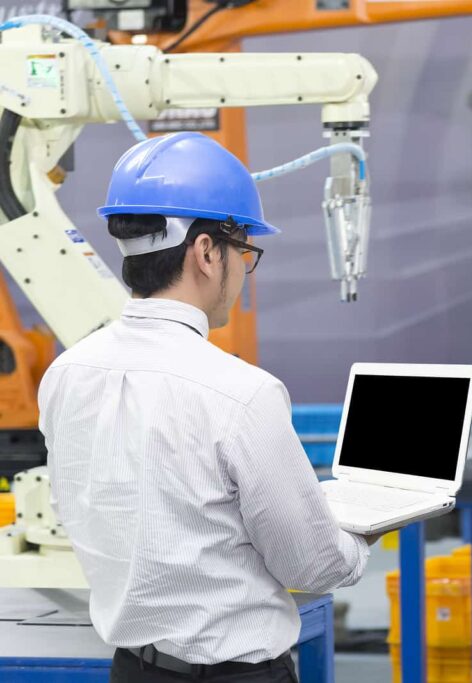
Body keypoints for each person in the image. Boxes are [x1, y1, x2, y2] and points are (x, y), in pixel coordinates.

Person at [38, 132, 374, 683]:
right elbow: (311, 564)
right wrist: (359, 537)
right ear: (206, 253)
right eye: (245, 251)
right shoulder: (242, 394)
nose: (244, 269)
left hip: (132, 671)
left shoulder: (66, 374)